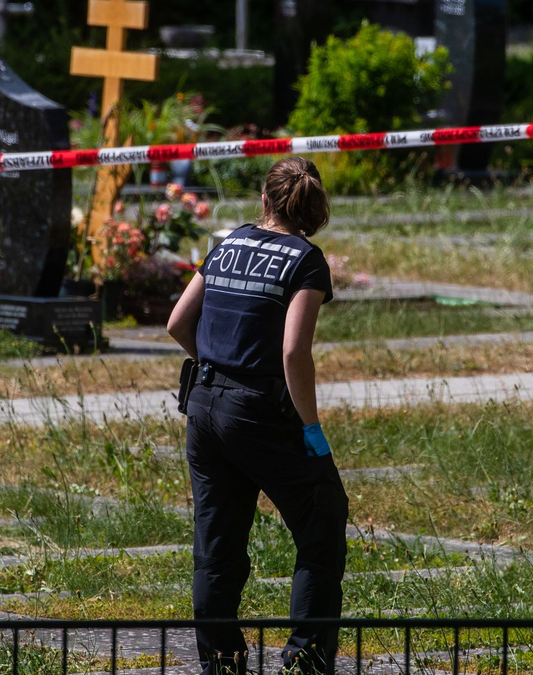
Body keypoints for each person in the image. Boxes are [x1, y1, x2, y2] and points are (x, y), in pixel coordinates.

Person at [167, 156, 349, 675]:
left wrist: (212, 367)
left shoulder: (226, 245)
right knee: (322, 519)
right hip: (260, 412)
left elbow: (178, 322)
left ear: (265, 201)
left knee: (217, 541)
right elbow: (294, 353)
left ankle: (221, 662)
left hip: (203, 406)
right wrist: (311, 429)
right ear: (312, 208)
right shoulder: (305, 260)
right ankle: (306, 658)